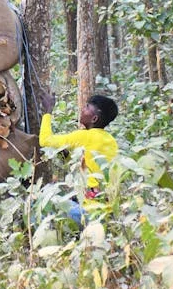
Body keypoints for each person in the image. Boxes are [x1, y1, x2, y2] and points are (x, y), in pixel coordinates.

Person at [39, 93, 119, 228]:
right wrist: (65, 155)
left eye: (87, 107)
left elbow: (45, 141)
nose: (83, 109)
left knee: (43, 200)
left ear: (94, 118)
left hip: (88, 214)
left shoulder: (84, 136)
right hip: (108, 214)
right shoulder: (111, 141)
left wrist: (48, 111)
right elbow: (86, 163)